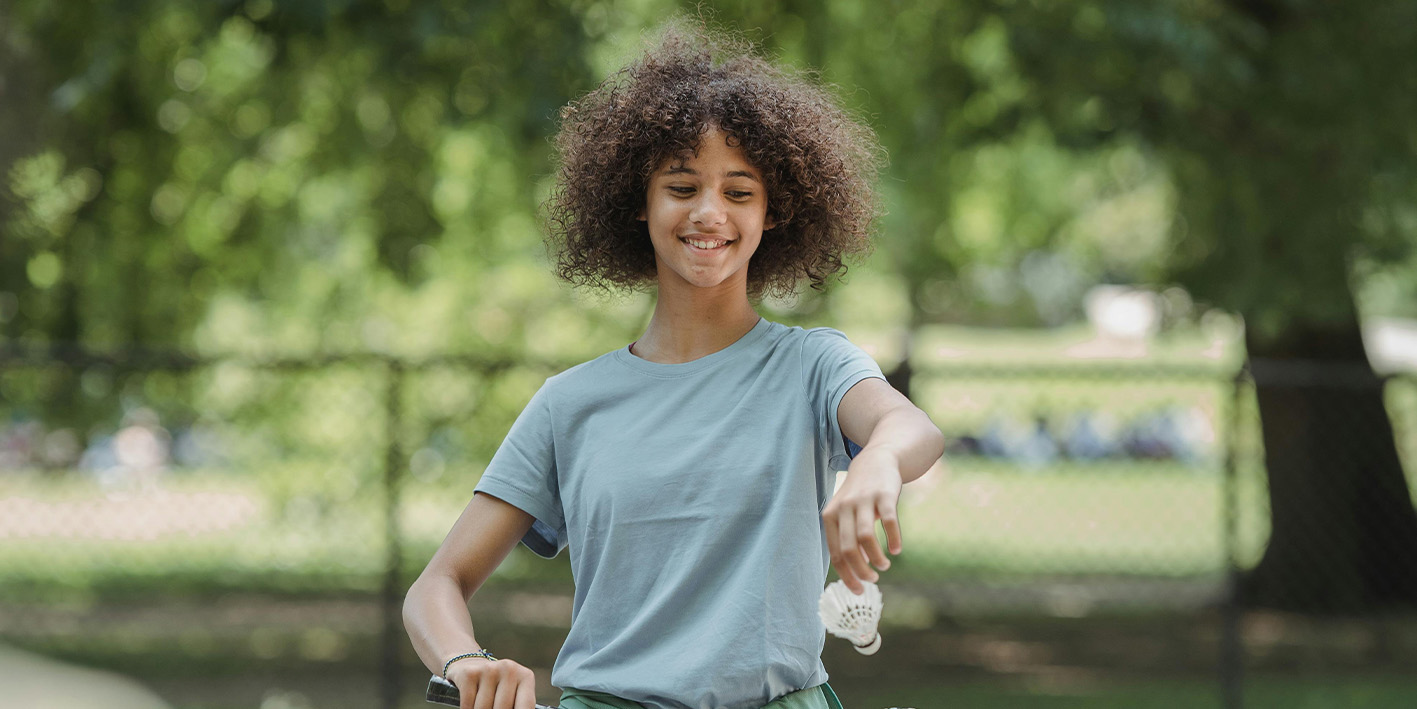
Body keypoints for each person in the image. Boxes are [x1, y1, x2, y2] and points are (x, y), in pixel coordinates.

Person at [403, 20, 944, 709]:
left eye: (739, 191)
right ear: (640, 201)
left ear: (775, 211)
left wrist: (875, 461)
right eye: (682, 186)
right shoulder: (570, 403)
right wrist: (464, 659)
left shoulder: (812, 365)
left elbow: (910, 429)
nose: (709, 212)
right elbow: (435, 585)